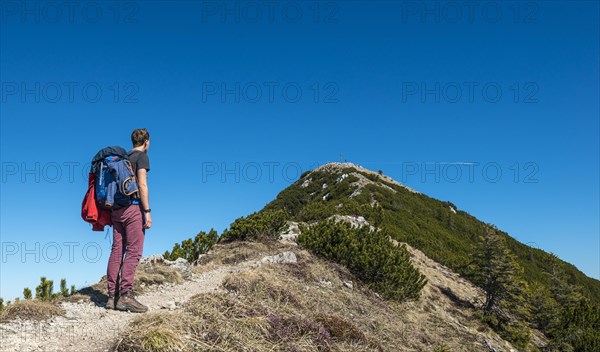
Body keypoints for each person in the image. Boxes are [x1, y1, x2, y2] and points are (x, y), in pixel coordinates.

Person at [105, 128, 152, 313]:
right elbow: (142, 185)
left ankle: (111, 297)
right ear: (146, 141)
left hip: (116, 210)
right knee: (134, 251)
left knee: (117, 251)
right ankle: (125, 296)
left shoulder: (121, 158)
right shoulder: (141, 157)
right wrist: (147, 211)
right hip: (132, 208)